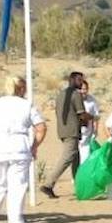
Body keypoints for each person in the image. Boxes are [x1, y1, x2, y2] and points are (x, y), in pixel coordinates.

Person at [0, 76, 47, 223]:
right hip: (19, 147)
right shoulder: (27, 105)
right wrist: (34, 146)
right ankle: (15, 220)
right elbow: (41, 128)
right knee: (18, 185)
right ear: (21, 89)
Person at [41, 70, 88, 199]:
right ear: (72, 80)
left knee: (75, 159)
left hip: (63, 129)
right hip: (71, 130)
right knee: (67, 157)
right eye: (79, 80)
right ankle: (48, 184)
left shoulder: (61, 94)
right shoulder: (76, 94)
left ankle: (80, 186)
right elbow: (81, 113)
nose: (81, 82)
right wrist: (91, 118)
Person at [77, 79, 100, 162]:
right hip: (75, 133)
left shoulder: (92, 100)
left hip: (87, 132)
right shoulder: (74, 100)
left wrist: (95, 130)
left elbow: (96, 116)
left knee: (85, 157)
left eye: (85, 89)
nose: (83, 91)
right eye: (81, 89)